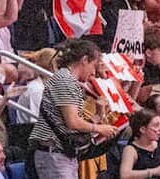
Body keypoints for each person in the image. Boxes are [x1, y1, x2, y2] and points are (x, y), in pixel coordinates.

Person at [29, 40, 119, 176]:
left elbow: (73, 124)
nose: (94, 72)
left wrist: (99, 113)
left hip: (64, 154)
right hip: (54, 155)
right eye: (93, 66)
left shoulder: (70, 81)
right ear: (84, 60)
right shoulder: (65, 80)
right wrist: (100, 128)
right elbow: (73, 122)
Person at [119, 108, 160, 179]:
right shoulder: (131, 150)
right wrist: (153, 171)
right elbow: (125, 175)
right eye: (156, 125)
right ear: (142, 129)